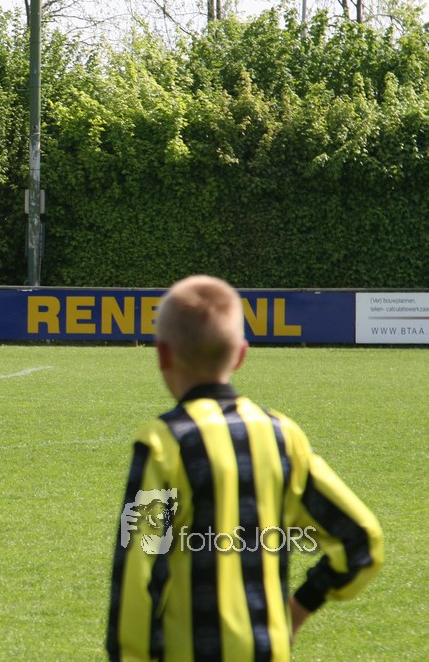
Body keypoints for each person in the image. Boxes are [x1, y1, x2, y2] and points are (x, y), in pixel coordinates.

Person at [107, 275, 383, 662]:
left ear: (163, 355)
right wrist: (300, 607)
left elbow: (137, 573)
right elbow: (362, 540)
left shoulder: (163, 443)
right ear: (240, 355)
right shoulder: (283, 437)